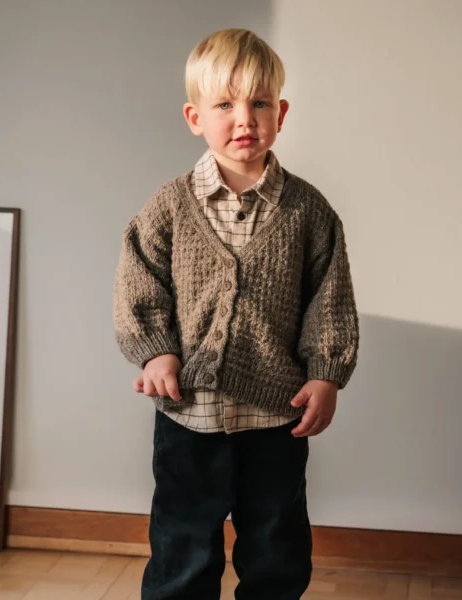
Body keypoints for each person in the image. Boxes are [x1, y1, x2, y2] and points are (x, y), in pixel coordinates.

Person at [113, 28, 359, 600]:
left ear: (282, 113)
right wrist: (157, 352)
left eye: (260, 103)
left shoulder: (308, 211)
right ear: (194, 117)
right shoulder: (170, 206)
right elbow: (139, 282)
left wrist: (326, 373)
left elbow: (330, 299)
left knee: (276, 546)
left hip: (275, 417)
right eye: (224, 105)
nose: (244, 118)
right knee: (182, 545)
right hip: (189, 415)